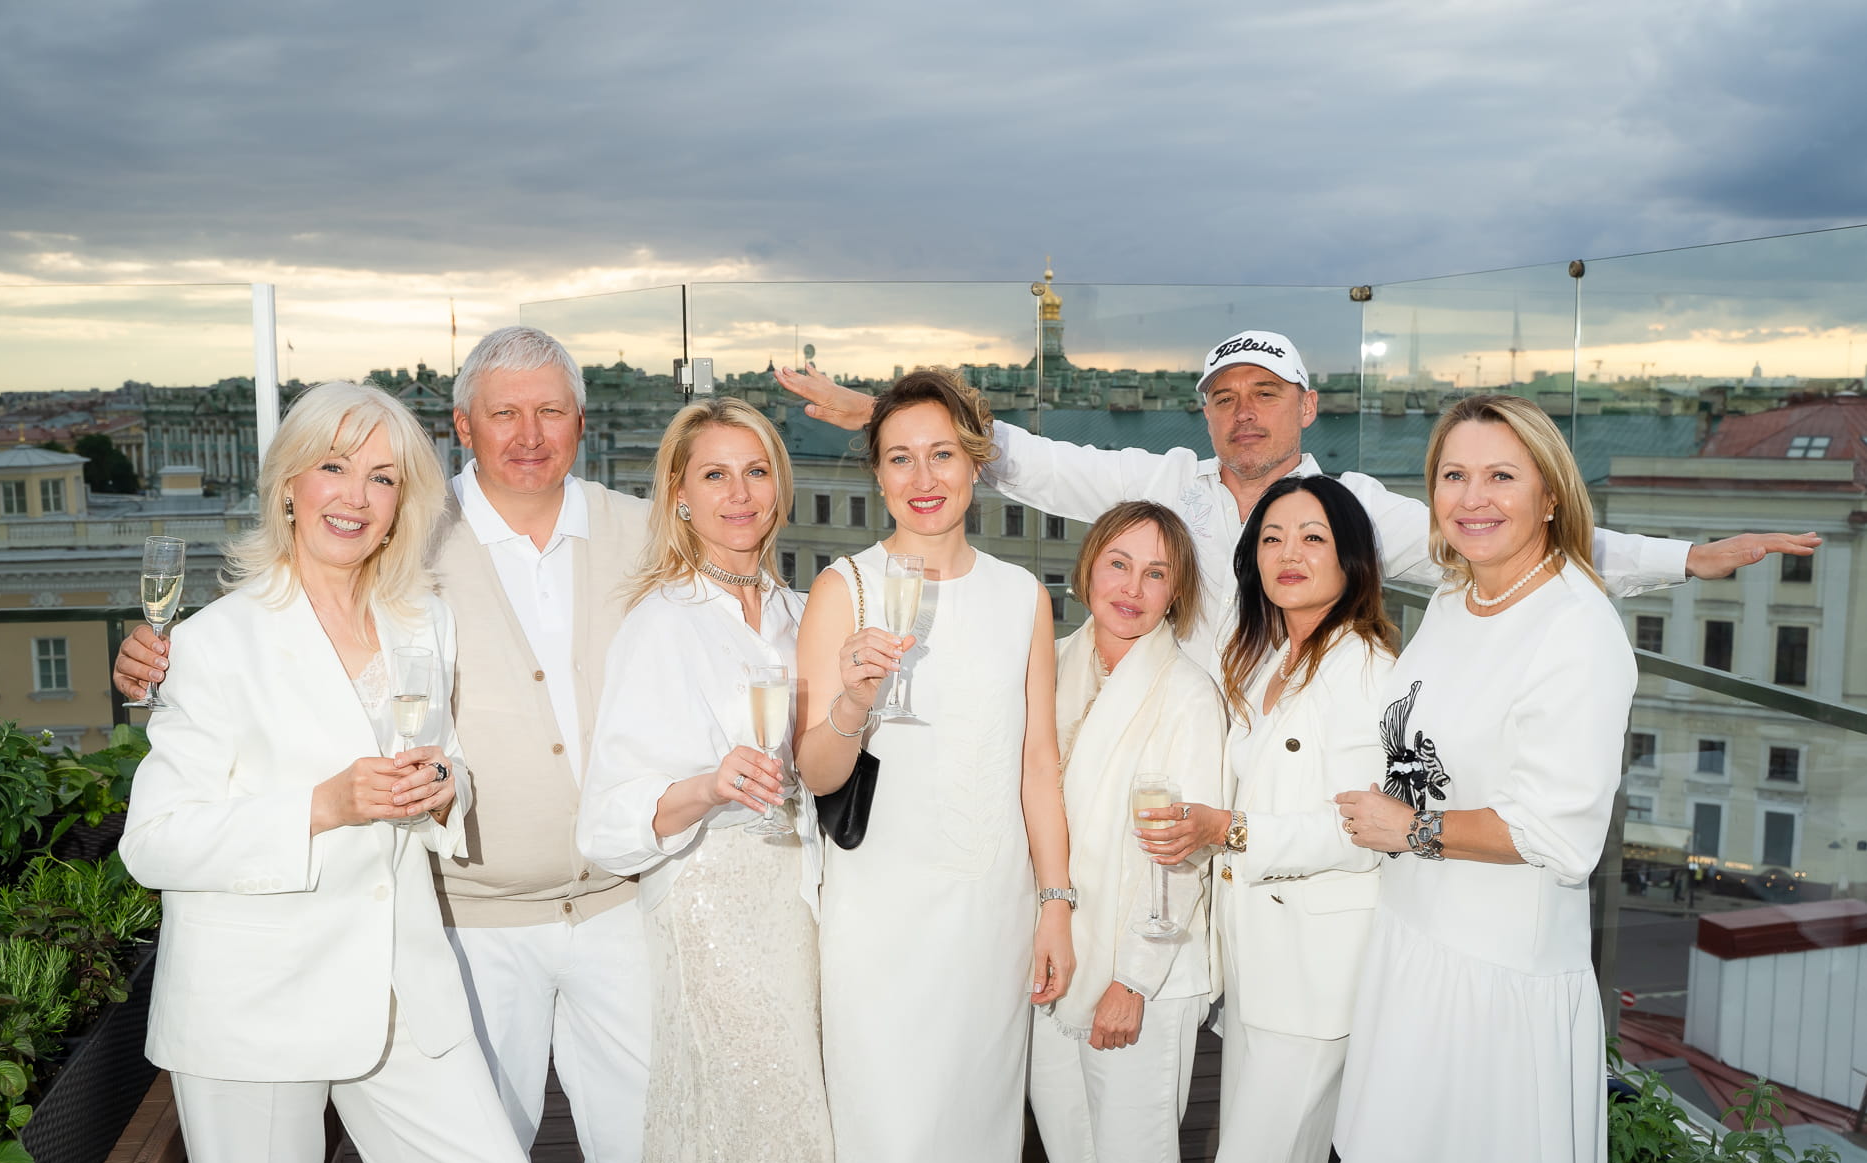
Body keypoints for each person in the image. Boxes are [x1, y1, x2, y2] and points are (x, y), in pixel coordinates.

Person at [114, 328, 651, 1163]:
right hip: (254, 1001)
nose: (355, 497)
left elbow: (443, 765)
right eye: (333, 468)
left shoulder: (418, 619)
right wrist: (325, 805)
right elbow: (153, 841)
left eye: (382, 478)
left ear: (404, 502)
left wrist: (443, 788)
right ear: (289, 484)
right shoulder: (210, 643)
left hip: (404, 989)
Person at [776, 333, 1819, 674]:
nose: (1244, 414)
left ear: (1307, 406)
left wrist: (1685, 559)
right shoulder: (1169, 487)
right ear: (1205, 411)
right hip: (1173, 733)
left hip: (1290, 748)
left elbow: (1502, 543)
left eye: (1265, 395)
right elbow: (1028, 463)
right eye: (1225, 398)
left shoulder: (1349, 509)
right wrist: (884, 415)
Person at [1329, 394, 1636, 1163]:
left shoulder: (1577, 629)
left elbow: (1558, 836)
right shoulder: (1460, 595)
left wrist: (1411, 829)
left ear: (1551, 494)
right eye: (1453, 476)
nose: (1473, 498)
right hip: (1414, 954)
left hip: (1494, 989)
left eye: (1502, 476)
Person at [794, 367, 1077, 1163]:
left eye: (943, 455)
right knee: (890, 1149)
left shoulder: (1022, 597)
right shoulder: (844, 587)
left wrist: (1055, 903)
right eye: (900, 458)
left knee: (976, 1148)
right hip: (878, 921)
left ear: (975, 463)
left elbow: (1038, 763)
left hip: (990, 916)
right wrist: (853, 698)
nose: (924, 478)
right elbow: (816, 770)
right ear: (877, 475)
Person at [576, 398, 833, 1163]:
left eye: (756, 472)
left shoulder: (807, 615)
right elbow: (607, 822)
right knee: (751, 1129)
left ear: (779, 488)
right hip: (712, 908)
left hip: (806, 905)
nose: (740, 494)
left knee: (805, 1130)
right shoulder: (660, 622)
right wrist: (708, 785)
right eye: (715, 475)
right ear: (679, 495)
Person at [1142, 474, 1399, 1163]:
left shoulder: (1366, 668)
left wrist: (1231, 830)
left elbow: (1364, 829)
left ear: (1351, 559)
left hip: (1317, 976)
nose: (1290, 553)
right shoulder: (1267, 657)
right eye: (1273, 538)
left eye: (1314, 537)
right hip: (1261, 966)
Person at [1027, 500, 1226, 1163]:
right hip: (1057, 958)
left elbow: (1180, 856)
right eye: (1119, 563)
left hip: (1143, 973)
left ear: (1176, 592)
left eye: (1155, 573)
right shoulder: (1052, 665)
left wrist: (1133, 980)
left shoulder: (1186, 694)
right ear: (1088, 569)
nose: (1132, 589)